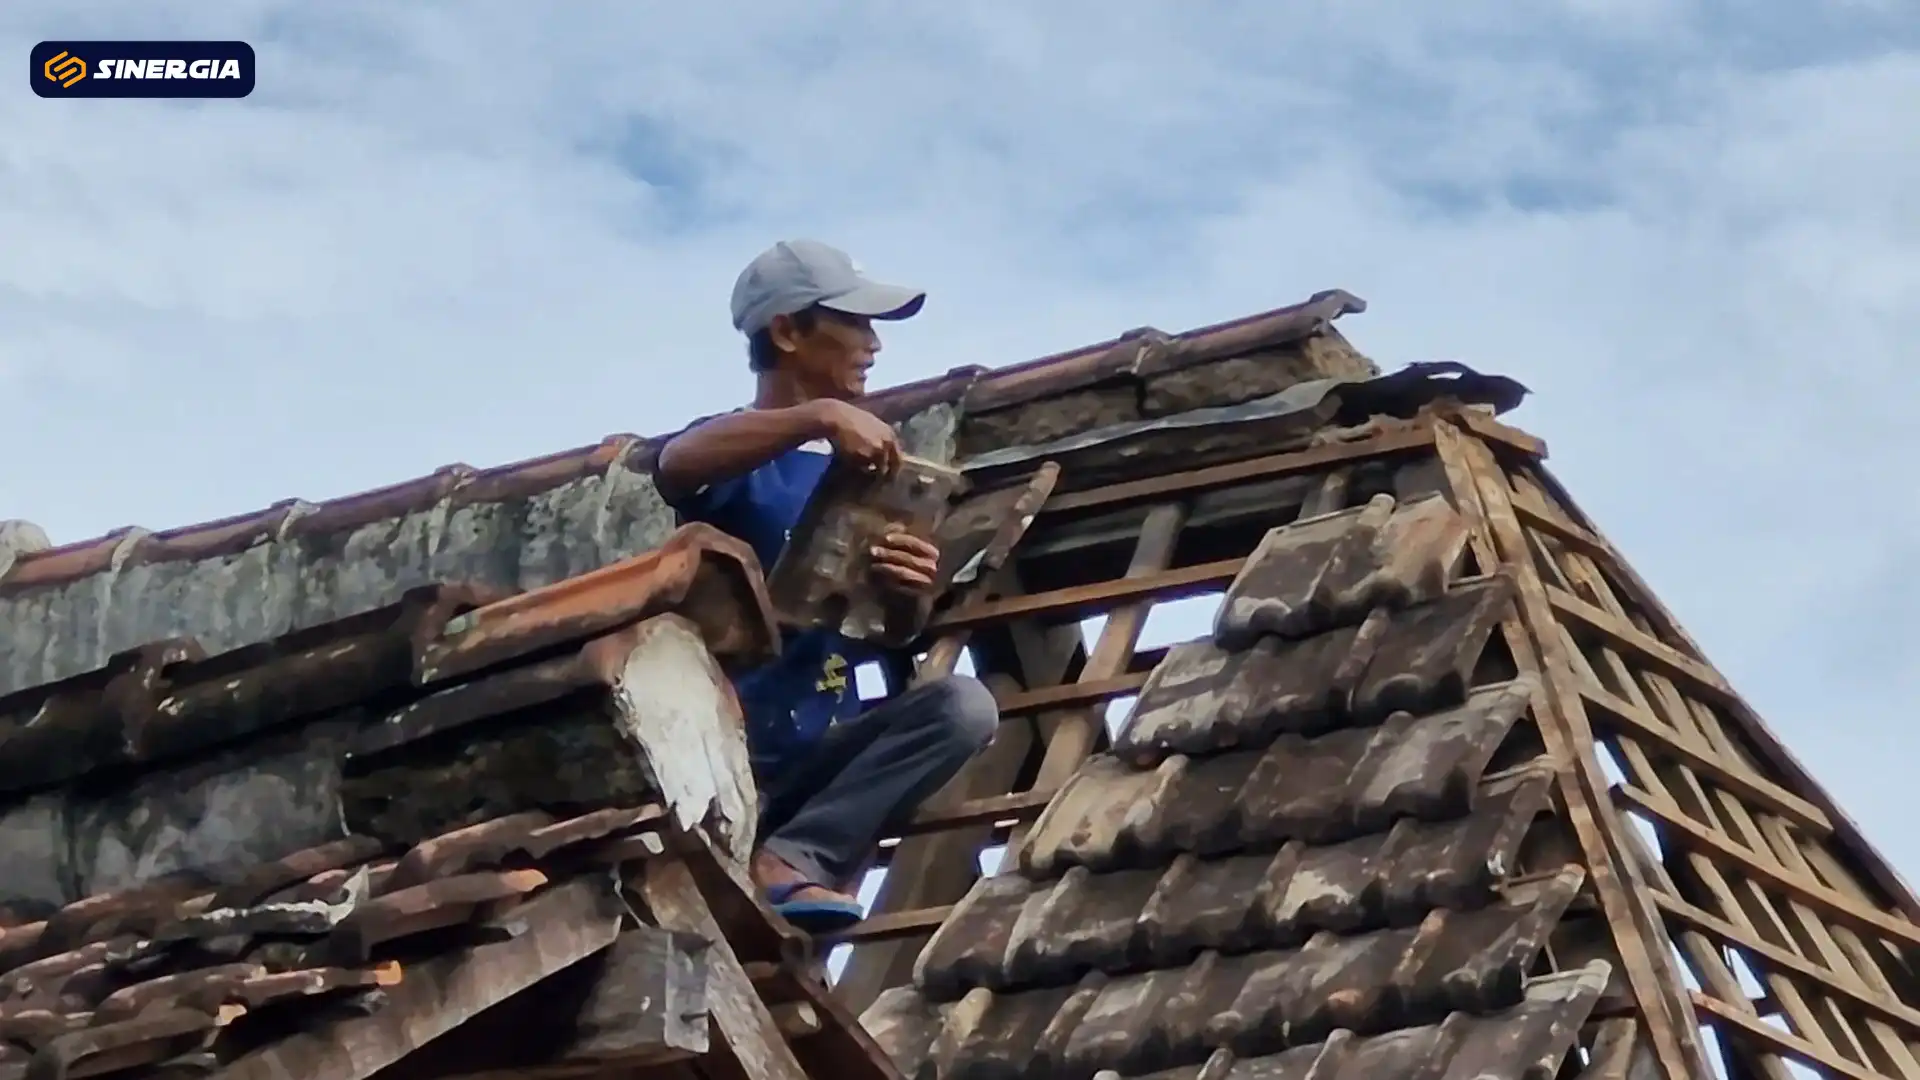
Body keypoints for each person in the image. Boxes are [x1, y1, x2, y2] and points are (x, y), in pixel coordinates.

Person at [654, 239, 1000, 933]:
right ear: (787, 331)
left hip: (813, 761)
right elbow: (675, 464)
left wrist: (909, 593)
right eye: (857, 323)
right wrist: (816, 417)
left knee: (963, 707)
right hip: (721, 754)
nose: (873, 344)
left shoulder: (870, 472)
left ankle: (793, 858)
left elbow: (891, 632)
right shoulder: (745, 453)